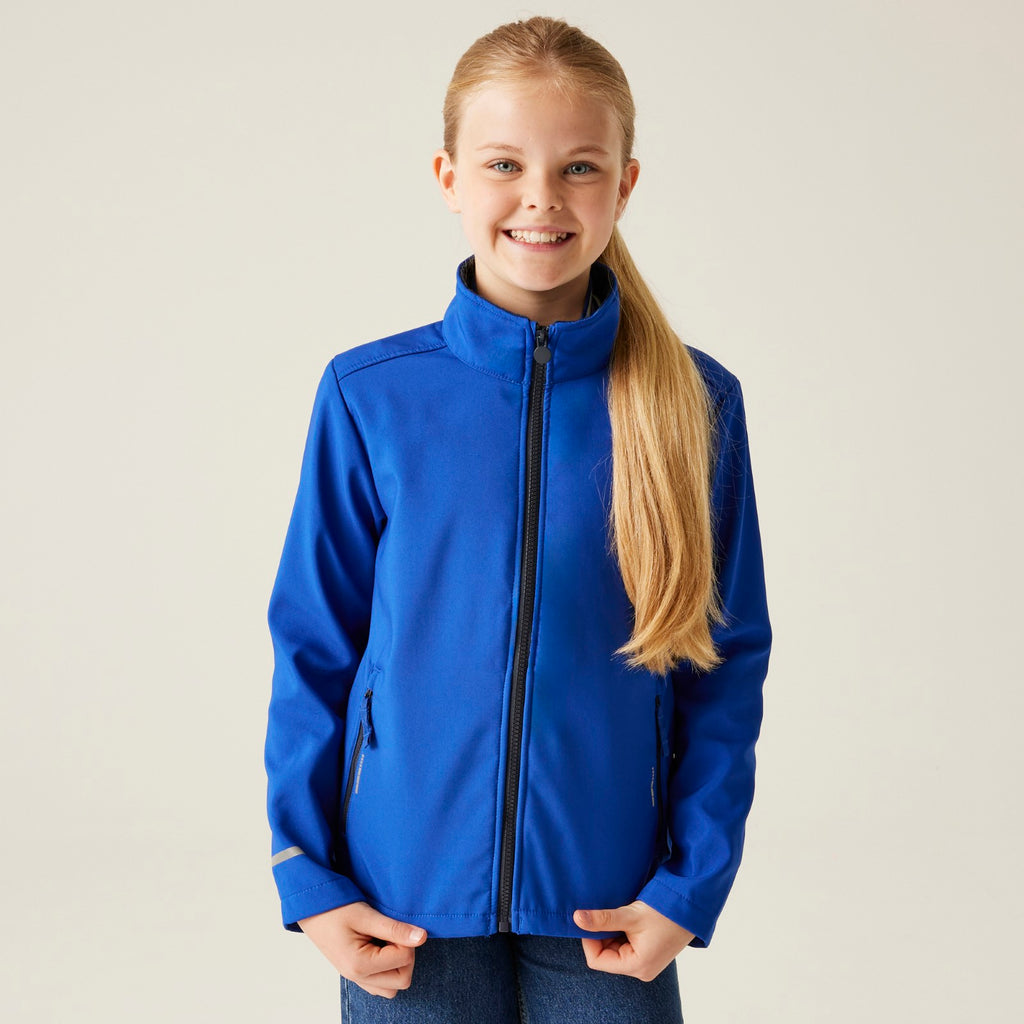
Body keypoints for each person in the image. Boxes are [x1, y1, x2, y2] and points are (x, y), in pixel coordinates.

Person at [264, 15, 771, 1023]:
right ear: (449, 177)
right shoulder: (372, 395)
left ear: (624, 185)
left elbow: (724, 663)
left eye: (579, 166)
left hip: (610, 901)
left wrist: (690, 885)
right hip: (401, 900)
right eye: (505, 163)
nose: (541, 197)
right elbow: (314, 646)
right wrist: (305, 874)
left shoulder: (694, 403)